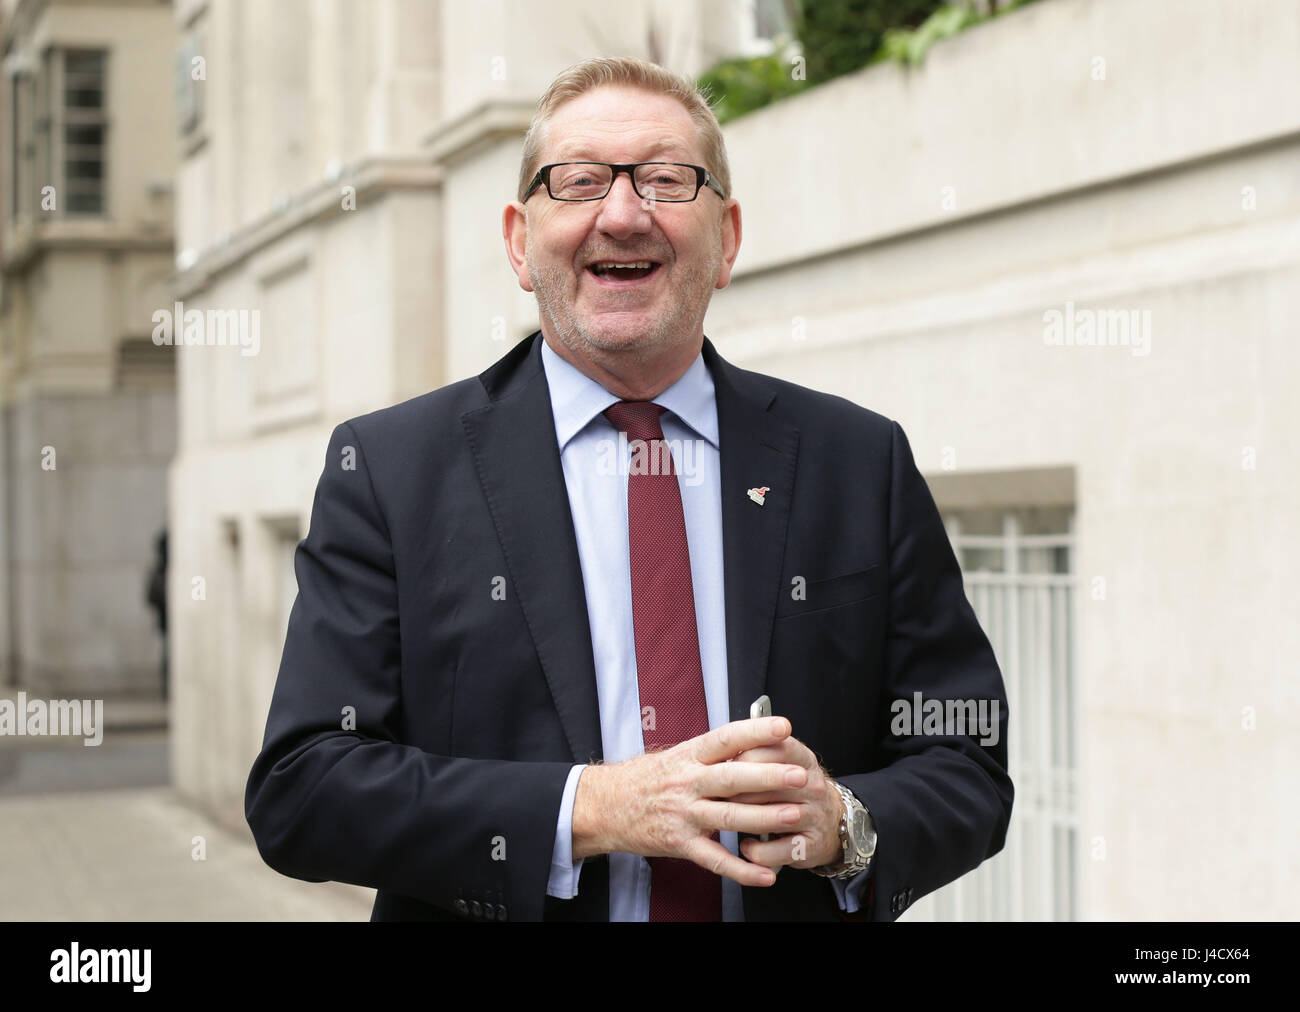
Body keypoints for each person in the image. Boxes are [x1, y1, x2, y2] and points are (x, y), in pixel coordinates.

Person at [245, 57, 1013, 922]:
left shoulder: (856, 460)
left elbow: (965, 761)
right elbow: (303, 788)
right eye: (576, 183)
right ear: (517, 242)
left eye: (665, 180)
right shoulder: (391, 471)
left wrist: (842, 823)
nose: (622, 214)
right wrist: (595, 810)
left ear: (726, 239)